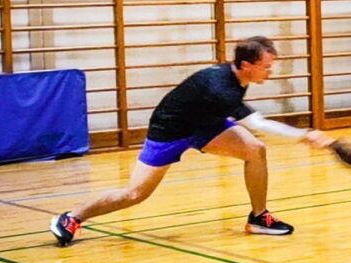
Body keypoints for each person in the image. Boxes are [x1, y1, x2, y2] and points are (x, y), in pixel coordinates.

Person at [51, 36, 334, 245]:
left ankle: (259, 217)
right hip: (170, 131)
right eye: (266, 67)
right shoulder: (220, 89)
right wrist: (304, 135)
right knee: (135, 194)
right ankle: (72, 217)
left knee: (255, 150)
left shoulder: (236, 78)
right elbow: (257, 123)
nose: (270, 72)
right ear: (247, 65)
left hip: (206, 124)